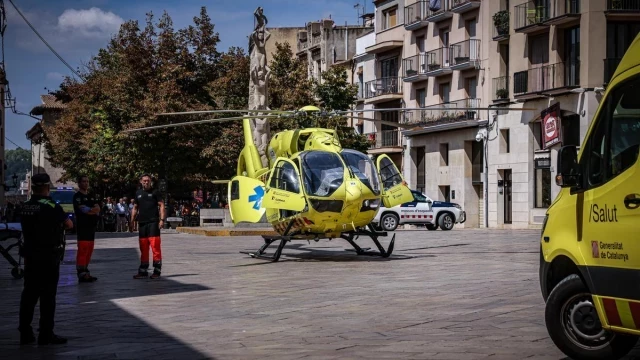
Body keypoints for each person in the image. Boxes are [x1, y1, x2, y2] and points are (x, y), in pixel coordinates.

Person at [18, 173, 73, 345]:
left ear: (32, 187)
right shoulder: (51, 206)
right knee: (48, 296)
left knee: (28, 295)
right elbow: (69, 225)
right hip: (48, 255)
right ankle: (46, 333)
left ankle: (25, 332)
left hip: (30, 255)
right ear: (47, 187)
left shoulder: (25, 206)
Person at [130, 174, 165, 279]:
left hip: (153, 223)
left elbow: (162, 205)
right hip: (142, 223)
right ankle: (143, 271)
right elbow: (135, 208)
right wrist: (131, 222)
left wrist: (162, 220)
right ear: (141, 181)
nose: (146, 182)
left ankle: (157, 271)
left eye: (148, 180)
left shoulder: (155, 192)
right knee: (143, 247)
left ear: (151, 182)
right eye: (144, 181)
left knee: (155, 246)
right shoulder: (138, 193)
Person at [73, 176, 101, 283]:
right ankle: (81, 273)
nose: (86, 183)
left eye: (87, 181)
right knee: (83, 249)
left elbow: (98, 209)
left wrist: (91, 210)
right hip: (82, 227)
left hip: (91, 226)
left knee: (89, 249)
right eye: (83, 181)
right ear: (79, 183)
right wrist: (92, 210)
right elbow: (82, 210)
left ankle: (86, 271)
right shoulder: (77, 196)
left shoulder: (91, 196)